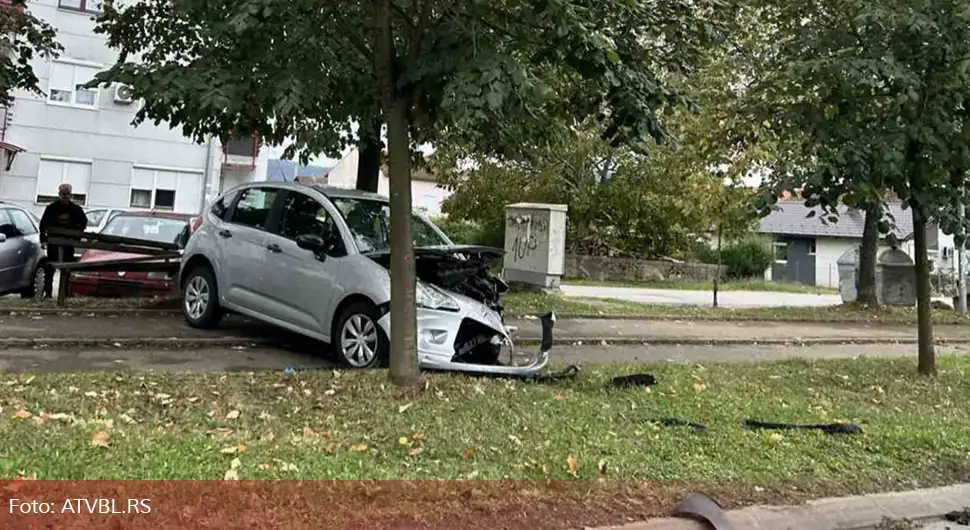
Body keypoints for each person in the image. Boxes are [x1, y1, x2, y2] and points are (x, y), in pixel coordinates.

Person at [38, 183, 87, 298]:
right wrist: (43, 238)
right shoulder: (51, 208)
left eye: (67, 194)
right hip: (54, 243)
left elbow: (83, 223)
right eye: (62, 194)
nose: (64, 196)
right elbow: (43, 225)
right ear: (59, 194)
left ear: (71, 195)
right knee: (51, 267)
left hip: (69, 243)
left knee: (67, 267)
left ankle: (66, 292)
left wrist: (76, 235)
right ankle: (48, 293)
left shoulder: (76, 209)